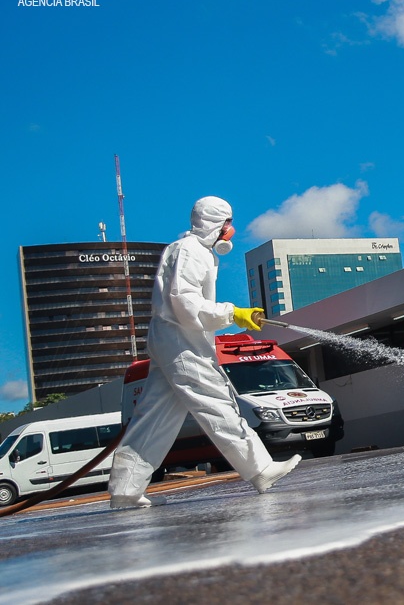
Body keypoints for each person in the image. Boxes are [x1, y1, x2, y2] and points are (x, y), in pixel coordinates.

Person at [108, 196, 301, 509]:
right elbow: (185, 304)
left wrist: (230, 315)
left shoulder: (192, 251)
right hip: (180, 340)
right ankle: (261, 469)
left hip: (172, 338)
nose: (231, 230)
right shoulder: (190, 251)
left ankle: (125, 490)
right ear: (215, 223)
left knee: (156, 415)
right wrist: (232, 313)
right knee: (216, 401)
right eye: (228, 223)